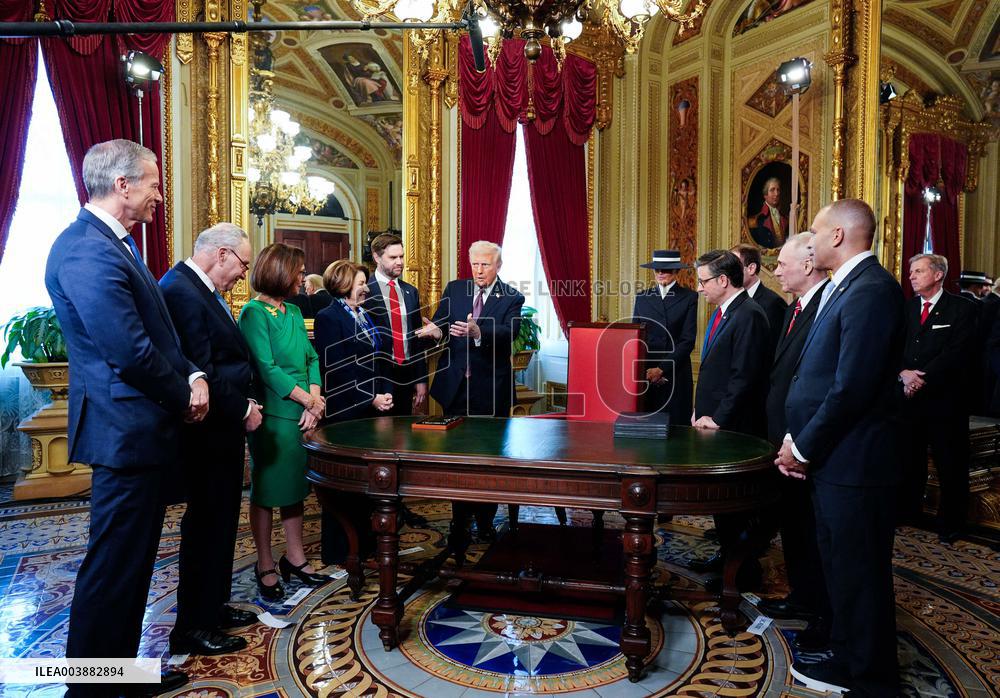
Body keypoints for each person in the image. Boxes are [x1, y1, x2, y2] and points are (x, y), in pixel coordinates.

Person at [45, 139, 205, 695]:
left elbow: (159, 336)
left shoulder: (115, 245)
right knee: (114, 564)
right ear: (123, 186)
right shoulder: (87, 250)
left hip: (137, 429)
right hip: (124, 431)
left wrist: (191, 373)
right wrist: (186, 393)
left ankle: (117, 674)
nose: (159, 195)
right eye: (154, 184)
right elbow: (129, 351)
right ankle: (90, 686)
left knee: (132, 563)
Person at [778, 199, 904, 697]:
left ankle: (872, 678)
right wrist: (797, 436)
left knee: (861, 574)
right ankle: (850, 656)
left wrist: (803, 447)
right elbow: (818, 374)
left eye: (814, 231)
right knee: (842, 571)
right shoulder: (846, 286)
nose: (808, 240)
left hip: (857, 462)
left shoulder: (872, 290)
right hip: (836, 458)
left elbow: (852, 386)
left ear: (837, 236)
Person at [159, 223, 260, 657]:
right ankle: (193, 626)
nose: (243, 274)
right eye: (242, 264)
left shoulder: (202, 290)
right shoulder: (181, 289)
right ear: (221, 254)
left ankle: (212, 607)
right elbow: (202, 366)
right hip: (206, 430)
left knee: (221, 523)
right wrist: (243, 407)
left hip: (222, 428)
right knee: (206, 526)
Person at [239, 243, 328, 602]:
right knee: (266, 491)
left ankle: (296, 558)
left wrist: (316, 401)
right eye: (298, 271)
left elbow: (311, 357)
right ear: (279, 272)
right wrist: (307, 399)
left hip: (304, 414)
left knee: (295, 490)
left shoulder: (292, 310)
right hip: (273, 417)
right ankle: (265, 564)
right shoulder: (253, 313)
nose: (302, 277)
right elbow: (266, 368)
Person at [418, 240, 525, 539]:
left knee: (487, 461)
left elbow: (510, 332)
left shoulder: (512, 297)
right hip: (455, 389)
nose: (478, 270)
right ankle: (459, 523)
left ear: (498, 266)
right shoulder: (455, 289)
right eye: (475, 264)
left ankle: (486, 522)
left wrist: (480, 331)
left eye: (485, 265)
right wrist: (436, 331)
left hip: (490, 391)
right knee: (458, 461)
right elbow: (440, 322)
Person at [758, 232, 831, 651]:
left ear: (807, 265)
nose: (777, 270)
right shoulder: (794, 307)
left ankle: (822, 610)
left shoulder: (827, 305)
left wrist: (797, 440)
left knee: (813, 531)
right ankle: (803, 597)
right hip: (783, 439)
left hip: (806, 442)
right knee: (795, 526)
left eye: (782, 264)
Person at [688, 249, 771, 590]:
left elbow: (744, 378)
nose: (700, 288)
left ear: (723, 280)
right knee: (723, 509)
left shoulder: (749, 315)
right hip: (713, 421)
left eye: (704, 281)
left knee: (735, 506)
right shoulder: (724, 313)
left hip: (732, 427)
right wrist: (699, 409)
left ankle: (743, 574)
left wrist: (718, 418)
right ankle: (726, 559)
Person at [314, 260, 392, 564]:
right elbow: (338, 367)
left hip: (370, 412)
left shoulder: (366, 316)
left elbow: (380, 358)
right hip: (346, 411)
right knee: (344, 484)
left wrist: (383, 394)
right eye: (361, 282)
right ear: (345, 284)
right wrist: (370, 397)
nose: (366, 288)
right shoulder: (328, 317)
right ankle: (340, 550)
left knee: (366, 484)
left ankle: (365, 544)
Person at [898, 253, 977, 543]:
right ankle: (908, 511)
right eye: (910, 272)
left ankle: (952, 523)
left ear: (938, 274)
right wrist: (904, 373)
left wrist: (921, 377)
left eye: (918, 271)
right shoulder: (905, 309)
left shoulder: (962, 309)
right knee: (908, 459)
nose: (912, 276)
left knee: (950, 464)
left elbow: (958, 352)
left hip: (946, 402)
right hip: (907, 399)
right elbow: (893, 347)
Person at [363, 233, 430, 416]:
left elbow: (416, 339)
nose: (399, 262)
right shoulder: (364, 291)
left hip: (406, 375)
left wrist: (421, 379)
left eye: (401, 256)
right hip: (377, 376)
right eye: (393, 257)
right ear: (376, 257)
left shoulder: (410, 292)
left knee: (403, 434)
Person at [630, 250, 697, 426]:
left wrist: (662, 369)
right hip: (646, 373)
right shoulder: (642, 297)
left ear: (676, 272)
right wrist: (648, 369)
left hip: (675, 371)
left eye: (665, 270)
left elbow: (687, 340)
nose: (660, 273)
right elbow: (635, 337)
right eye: (657, 269)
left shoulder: (689, 297)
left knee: (676, 429)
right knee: (645, 428)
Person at [732, 243, 789, 349]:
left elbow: (774, 349)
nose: (728, 274)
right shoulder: (733, 300)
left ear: (751, 268)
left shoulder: (773, 303)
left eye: (733, 267)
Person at [749, 176, 788, 249]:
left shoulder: (785, 217)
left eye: (778, 190)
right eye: (772, 190)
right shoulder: (756, 219)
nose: (776, 194)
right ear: (765, 195)